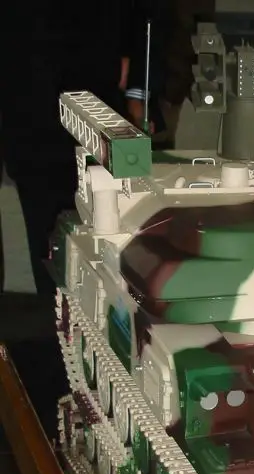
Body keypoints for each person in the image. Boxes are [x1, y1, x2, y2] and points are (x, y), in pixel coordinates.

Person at [0, 0, 169, 439]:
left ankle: (95, 389)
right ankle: (68, 384)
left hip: (85, 106)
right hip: (26, 107)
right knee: (51, 256)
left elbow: (147, 10)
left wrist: (141, 92)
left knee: (94, 252)